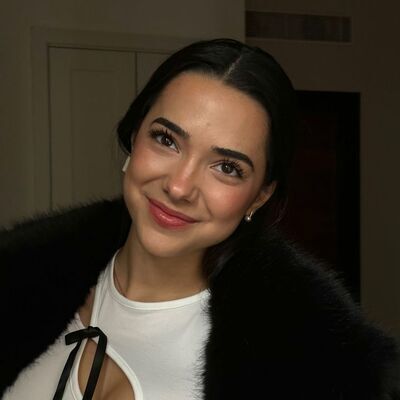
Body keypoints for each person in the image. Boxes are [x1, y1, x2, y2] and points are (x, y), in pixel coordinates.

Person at [0, 39, 399, 400]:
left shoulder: (298, 370)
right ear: (135, 134)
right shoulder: (18, 282)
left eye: (227, 167)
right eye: (167, 140)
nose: (179, 187)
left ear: (260, 196)